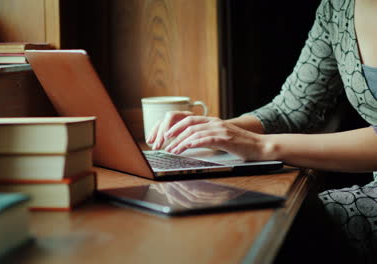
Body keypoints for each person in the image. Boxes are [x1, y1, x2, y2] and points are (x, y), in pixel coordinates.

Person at [146, 0, 377, 262]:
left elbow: (263, 142)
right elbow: (291, 108)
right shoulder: (337, 7)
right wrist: (211, 130)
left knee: (277, 233)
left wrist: (262, 146)